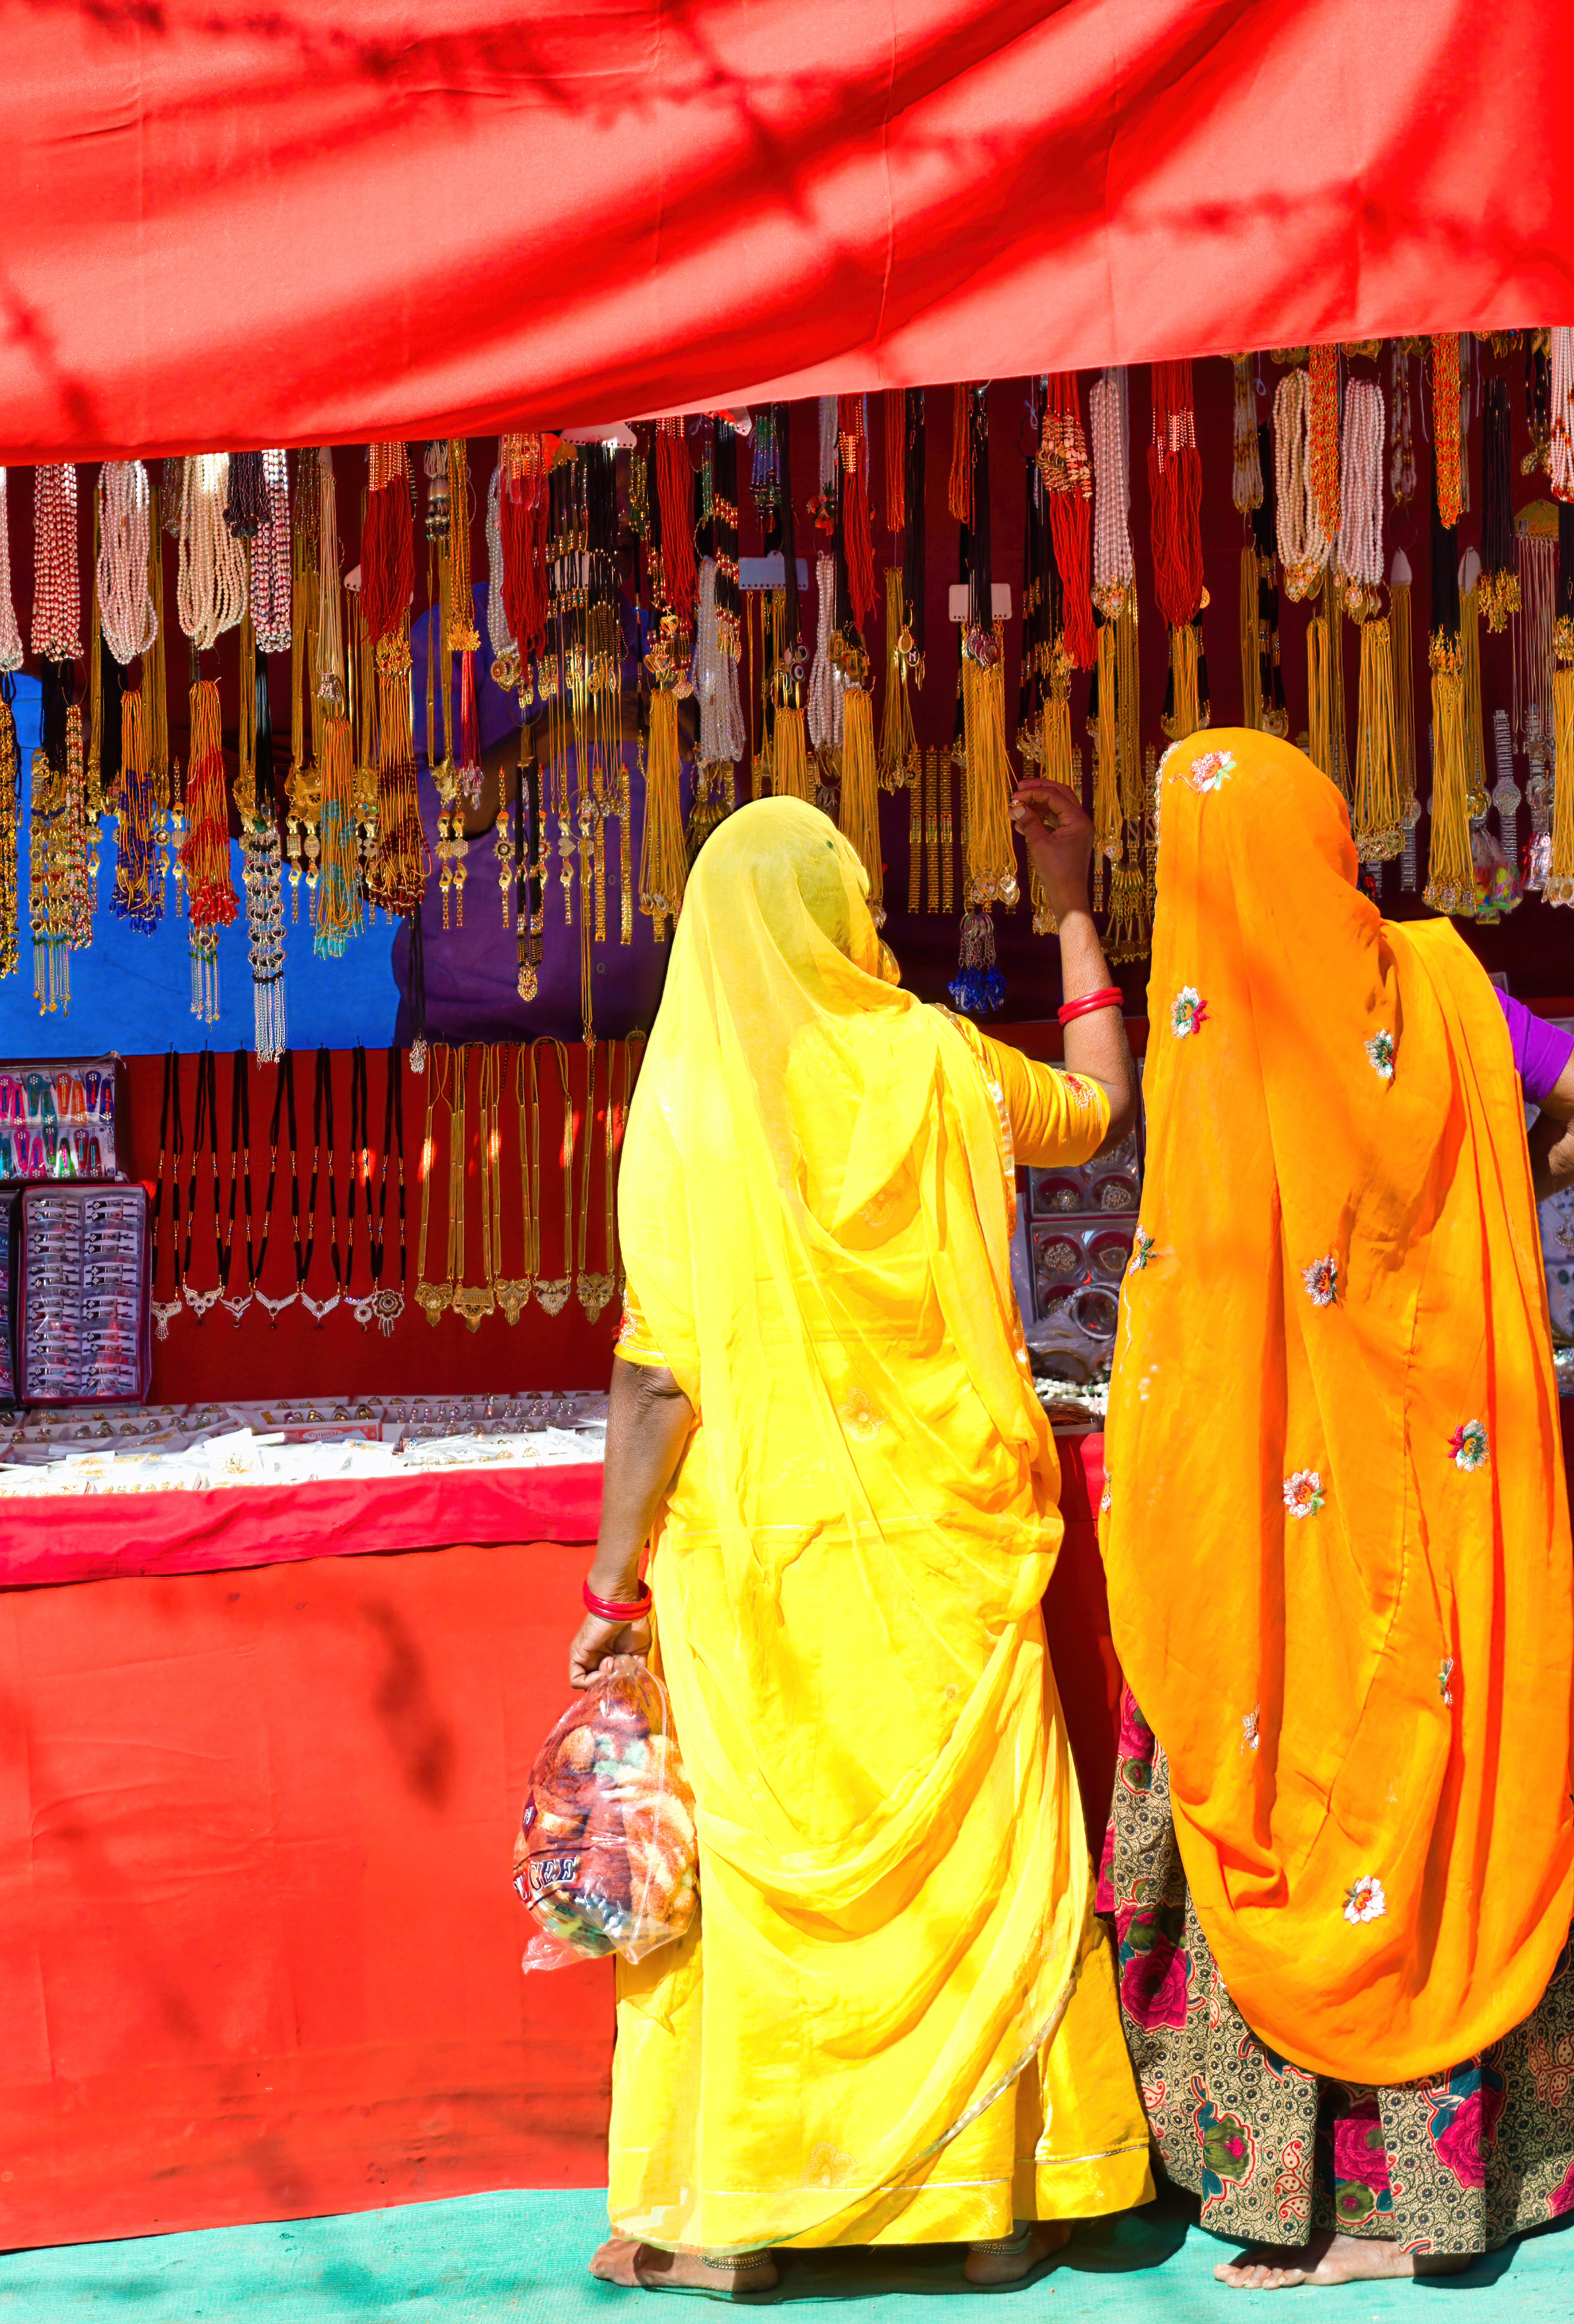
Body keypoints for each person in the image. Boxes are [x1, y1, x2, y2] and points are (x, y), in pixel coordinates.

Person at [572, 789, 1147, 2296]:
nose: (880, 927)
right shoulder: (938, 1060)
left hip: (765, 1568)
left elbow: (656, 1373)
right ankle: (992, 2209)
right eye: (861, 903)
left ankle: (755, 2215)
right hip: (951, 1543)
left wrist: (608, 1580)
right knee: (975, 1861)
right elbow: (1095, 1114)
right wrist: (1069, 902)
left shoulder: (688, 1106)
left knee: (779, 1880)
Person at [1095, 730, 1574, 2289]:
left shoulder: (1205, 1017)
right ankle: (1440, 2199)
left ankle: (1311, 2205)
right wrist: (1464, 1223)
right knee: (1429, 1776)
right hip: (1435, 1485)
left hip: (1266, 1517)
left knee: (1288, 1769)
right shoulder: (1439, 985)